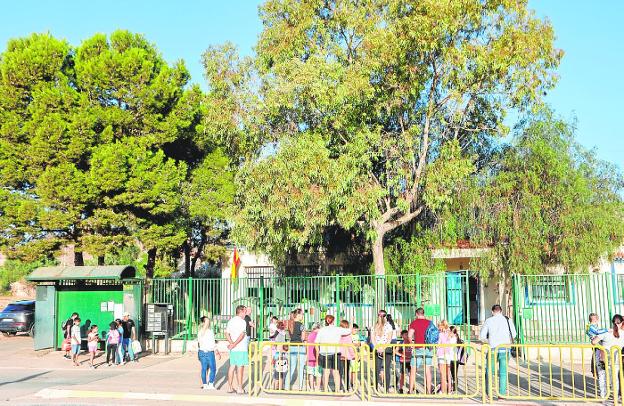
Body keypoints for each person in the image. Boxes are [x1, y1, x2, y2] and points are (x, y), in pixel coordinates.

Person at [479, 304, 516, 399]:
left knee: (489, 371)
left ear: (492, 312)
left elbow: (482, 336)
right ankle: (501, 394)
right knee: (503, 372)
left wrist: (489, 341)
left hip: (492, 349)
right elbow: (514, 334)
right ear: (501, 311)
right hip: (505, 348)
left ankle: (488, 394)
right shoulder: (508, 320)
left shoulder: (488, 320)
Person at [315, 314, 351, 392]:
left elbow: (316, 342)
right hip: (335, 352)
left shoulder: (322, 330)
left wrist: (318, 353)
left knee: (326, 372)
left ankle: (325, 390)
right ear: (333, 321)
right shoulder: (337, 329)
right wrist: (351, 321)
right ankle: (337, 390)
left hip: (324, 352)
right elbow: (349, 330)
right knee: (336, 372)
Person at [592, 314, 624, 398]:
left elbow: (594, 342)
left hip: (603, 358)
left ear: (612, 322)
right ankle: (616, 397)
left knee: (602, 377)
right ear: (622, 323)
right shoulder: (623, 334)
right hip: (616, 360)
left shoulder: (606, 332)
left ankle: (603, 396)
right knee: (615, 379)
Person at [408, 307, 433, 394]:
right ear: (423, 313)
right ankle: (429, 391)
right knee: (428, 370)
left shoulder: (414, 323)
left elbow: (409, 335)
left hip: (418, 347)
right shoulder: (430, 322)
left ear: (416, 314)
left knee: (413, 369)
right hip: (428, 348)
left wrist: (411, 343)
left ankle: (410, 390)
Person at [226, 305, 249, 394]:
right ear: (241, 311)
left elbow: (227, 333)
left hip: (234, 349)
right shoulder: (242, 322)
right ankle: (240, 388)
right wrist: (234, 344)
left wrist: (231, 343)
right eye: (245, 311)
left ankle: (230, 387)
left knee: (232, 367)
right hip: (241, 348)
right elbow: (242, 335)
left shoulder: (231, 321)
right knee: (240, 368)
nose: (246, 313)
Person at [372, 309, 394, 393]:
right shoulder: (389, 326)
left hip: (377, 348)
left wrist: (377, 348)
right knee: (386, 368)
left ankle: (376, 388)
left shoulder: (374, 326)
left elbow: (372, 339)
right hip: (386, 348)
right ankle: (387, 388)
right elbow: (389, 339)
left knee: (377, 369)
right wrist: (383, 348)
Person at [197, 315, 221, 390]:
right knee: (209, 368)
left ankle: (208, 384)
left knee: (209, 368)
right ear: (203, 323)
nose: (209, 322)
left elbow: (212, 342)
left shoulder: (208, 331)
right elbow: (211, 343)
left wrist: (216, 351)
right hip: (206, 352)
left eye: (209, 321)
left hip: (206, 352)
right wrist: (216, 351)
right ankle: (207, 384)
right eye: (207, 321)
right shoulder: (202, 331)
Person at [286, 308, 307, 391]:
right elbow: (303, 337)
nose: (302, 316)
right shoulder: (302, 325)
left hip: (292, 345)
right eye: (302, 314)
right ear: (298, 315)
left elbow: (288, 336)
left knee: (291, 367)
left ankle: (286, 386)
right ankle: (300, 387)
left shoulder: (290, 324)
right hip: (300, 346)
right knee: (301, 367)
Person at [586, 313, 608, 379]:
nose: (594, 322)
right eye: (592, 320)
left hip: (598, 344)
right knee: (597, 358)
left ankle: (596, 371)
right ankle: (596, 371)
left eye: (595, 320)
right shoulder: (590, 326)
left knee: (597, 357)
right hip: (597, 345)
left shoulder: (592, 326)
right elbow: (597, 332)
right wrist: (607, 330)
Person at [436, 320, 453, 394]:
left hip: (441, 354)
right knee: (448, 374)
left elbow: (438, 344)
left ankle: (443, 391)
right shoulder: (450, 334)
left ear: (442, 326)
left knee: (442, 375)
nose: (438, 327)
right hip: (449, 355)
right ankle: (449, 391)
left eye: (439, 326)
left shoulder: (440, 334)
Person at [339, 320, 355, 391]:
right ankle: (347, 387)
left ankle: (339, 387)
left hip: (339, 355)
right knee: (347, 372)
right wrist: (353, 355)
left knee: (339, 372)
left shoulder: (338, 334)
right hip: (347, 356)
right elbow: (350, 346)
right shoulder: (348, 335)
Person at [394, 330, 412, 394]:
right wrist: (401, 355)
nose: (406, 336)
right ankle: (401, 388)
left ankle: (412, 388)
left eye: (407, 334)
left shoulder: (410, 342)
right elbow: (395, 351)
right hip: (403, 361)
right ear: (402, 335)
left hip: (410, 361)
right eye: (405, 334)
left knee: (411, 375)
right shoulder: (401, 343)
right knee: (402, 375)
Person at [306, 323, 322, 391]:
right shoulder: (318, 335)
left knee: (311, 373)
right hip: (317, 356)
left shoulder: (310, 335)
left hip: (310, 356)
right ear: (318, 328)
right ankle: (317, 388)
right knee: (318, 373)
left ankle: (312, 388)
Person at [449, 326, 464, 392]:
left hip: (452, 358)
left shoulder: (453, 339)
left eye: (450, 332)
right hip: (455, 359)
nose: (449, 333)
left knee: (453, 374)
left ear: (454, 333)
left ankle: (454, 387)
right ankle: (454, 387)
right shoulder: (457, 339)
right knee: (454, 373)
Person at [350, 323, 361, 391]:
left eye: (356, 330)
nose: (356, 331)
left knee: (356, 370)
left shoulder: (357, 336)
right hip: (351, 355)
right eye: (354, 330)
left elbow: (359, 344)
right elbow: (351, 344)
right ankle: (351, 382)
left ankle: (354, 382)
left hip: (357, 354)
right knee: (351, 370)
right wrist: (355, 344)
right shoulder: (349, 336)